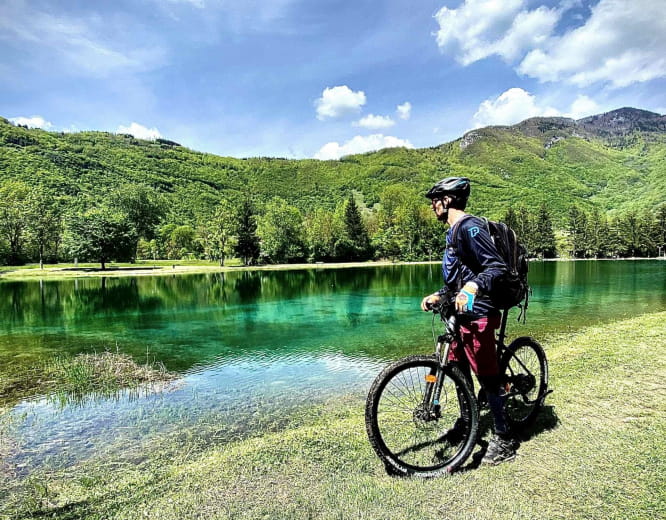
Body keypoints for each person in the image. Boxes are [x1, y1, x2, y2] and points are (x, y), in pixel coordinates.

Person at [421, 176, 517, 465]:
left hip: (478, 315)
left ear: (447, 200)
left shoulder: (470, 227)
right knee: (459, 372)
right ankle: (468, 423)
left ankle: (504, 438)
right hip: (458, 316)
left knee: (488, 378)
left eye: (435, 200)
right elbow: (457, 279)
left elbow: (496, 266)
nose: (432, 206)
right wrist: (439, 295)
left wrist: (474, 287)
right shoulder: (453, 234)